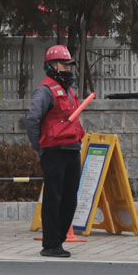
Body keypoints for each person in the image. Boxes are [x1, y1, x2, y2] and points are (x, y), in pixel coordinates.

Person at [26, 44, 86, 259]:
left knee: (70, 198)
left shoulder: (69, 90)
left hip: (72, 149)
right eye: (64, 64)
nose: (68, 68)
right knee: (54, 197)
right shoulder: (45, 90)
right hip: (53, 150)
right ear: (51, 65)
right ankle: (50, 243)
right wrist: (38, 146)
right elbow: (32, 119)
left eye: (69, 64)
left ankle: (58, 240)